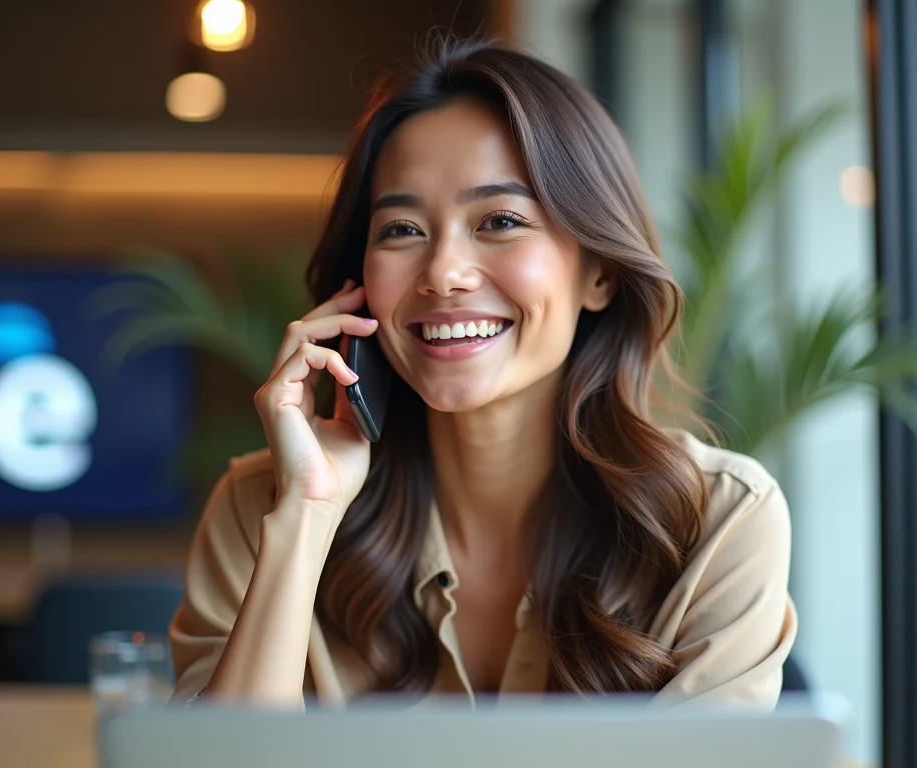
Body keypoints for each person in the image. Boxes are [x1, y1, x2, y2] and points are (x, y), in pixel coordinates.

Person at [169, 38, 795, 709]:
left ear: (601, 272)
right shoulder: (260, 507)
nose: (443, 274)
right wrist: (307, 516)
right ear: (358, 288)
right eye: (402, 230)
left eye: (500, 220)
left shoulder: (720, 521)